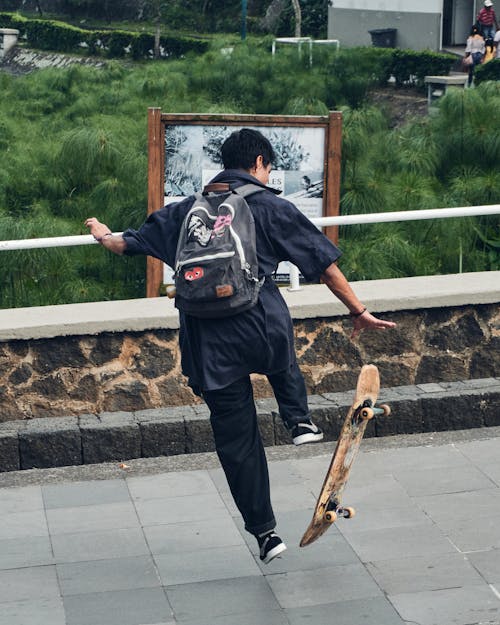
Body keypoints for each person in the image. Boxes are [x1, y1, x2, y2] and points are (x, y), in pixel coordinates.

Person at [85, 128, 396, 564]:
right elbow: (324, 267)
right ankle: (298, 420)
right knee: (279, 341)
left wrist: (100, 232)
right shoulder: (269, 205)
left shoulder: (183, 211)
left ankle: (266, 534)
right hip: (259, 329)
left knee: (237, 441)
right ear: (259, 165)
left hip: (207, 342)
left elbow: (123, 244)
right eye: (268, 168)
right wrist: (358, 310)